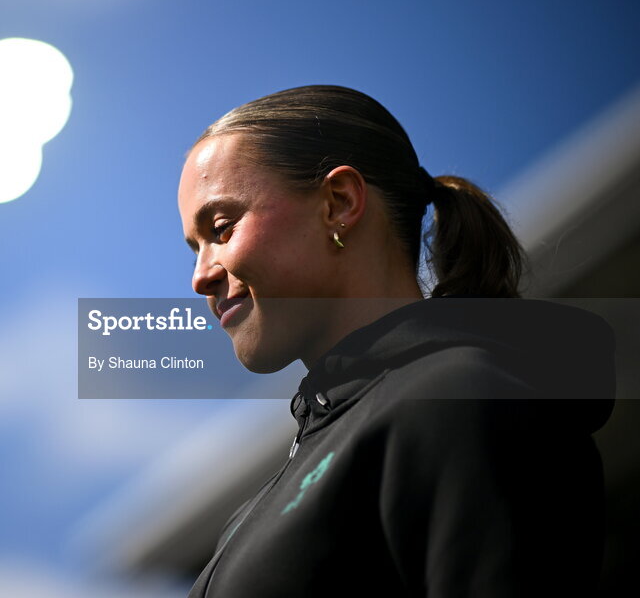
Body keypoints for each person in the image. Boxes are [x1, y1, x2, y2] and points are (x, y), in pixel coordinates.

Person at [177, 85, 615, 597]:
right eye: (194, 246)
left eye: (222, 228)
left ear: (339, 203)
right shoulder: (260, 504)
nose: (200, 276)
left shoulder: (459, 398)